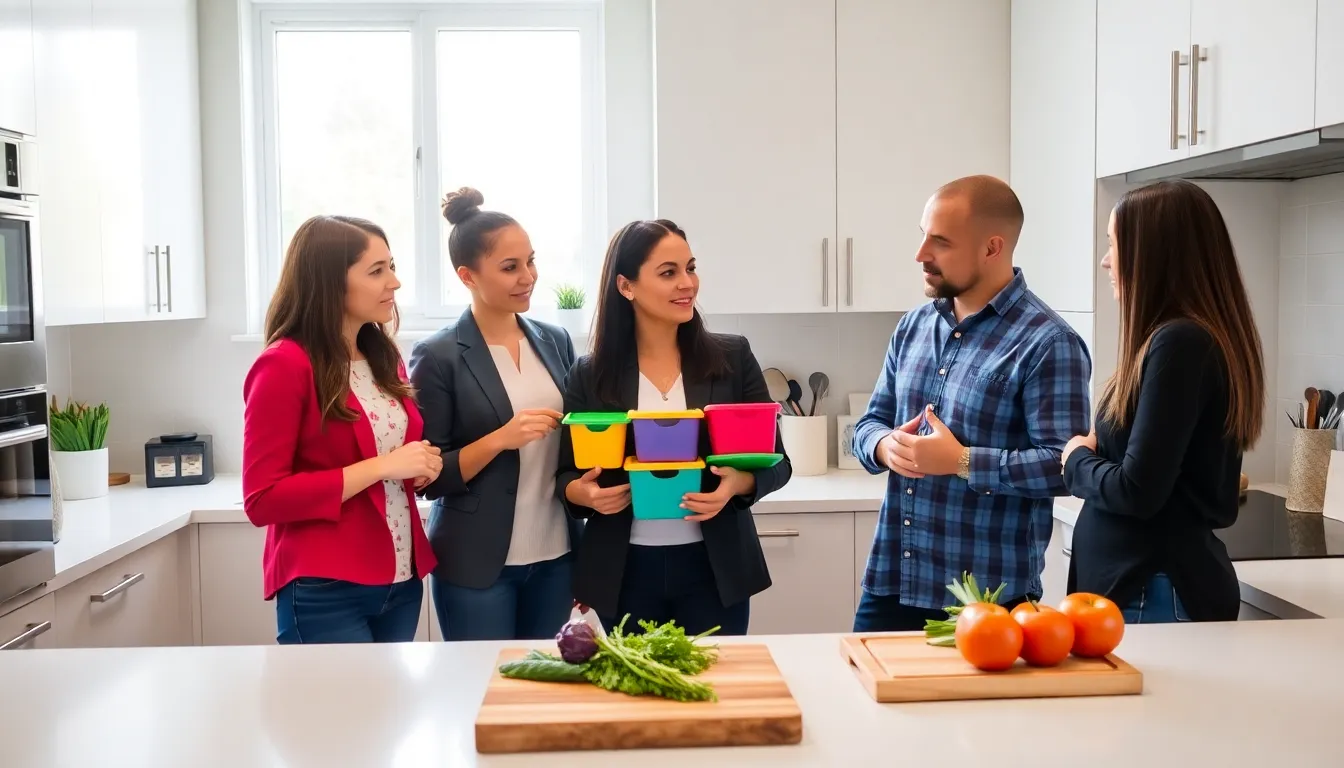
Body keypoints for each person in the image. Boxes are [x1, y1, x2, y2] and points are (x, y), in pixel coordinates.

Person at [851, 175, 1092, 632]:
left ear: (991, 248)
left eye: (940, 242)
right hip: (892, 582)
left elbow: (1064, 468)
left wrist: (961, 461)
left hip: (988, 601)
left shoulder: (1049, 342)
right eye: (923, 235)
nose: (921, 254)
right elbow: (870, 423)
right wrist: (884, 446)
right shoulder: (913, 326)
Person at [556, 219, 792, 636]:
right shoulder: (589, 374)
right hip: (623, 571)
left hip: (716, 570)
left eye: (690, 268)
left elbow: (779, 463)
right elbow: (564, 475)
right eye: (668, 272)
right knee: (637, 680)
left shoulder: (733, 358)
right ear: (626, 286)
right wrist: (584, 493)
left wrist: (737, 484)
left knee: (716, 678)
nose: (688, 283)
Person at [1062, 180, 1265, 624]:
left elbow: (1136, 491)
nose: (1106, 260)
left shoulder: (1180, 343)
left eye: (1114, 244)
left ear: (1153, 254)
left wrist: (1075, 459)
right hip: (1141, 588)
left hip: (1150, 592)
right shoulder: (1177, 340)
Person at [242, 215, 442, 644]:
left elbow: (388, 454)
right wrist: (384, 466)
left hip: (401, 579)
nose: (394, 282)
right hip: (325, 585)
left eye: (392, 266)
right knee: (336, 694)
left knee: (389, 694)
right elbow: (262, 499)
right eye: (377, 271)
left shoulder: (382, 356)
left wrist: (420, 466)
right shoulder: (284, 365)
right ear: (330, 282)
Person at [408, 188, 579, 641]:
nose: (528, 277)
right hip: (476, 563)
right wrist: (501, 438)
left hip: (557, 557)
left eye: (531, 261)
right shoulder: (437, 355)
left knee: (543, 682)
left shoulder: (556, 340)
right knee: (479, 680)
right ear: (467, 276)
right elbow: (428, 478)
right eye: (510, 267)